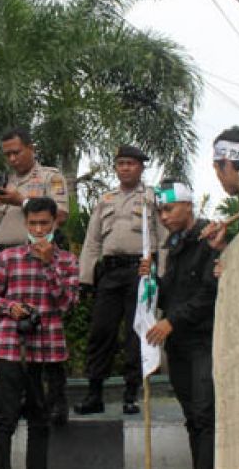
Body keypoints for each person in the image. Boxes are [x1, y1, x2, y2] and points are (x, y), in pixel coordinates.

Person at [0, 197, 78, 469]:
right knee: (6, 419)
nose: (38, 229)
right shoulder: (7, 258)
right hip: (12, 348)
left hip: (48, 351)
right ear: (25, 224)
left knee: (40, 420)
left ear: (54, 223)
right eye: (33, 223)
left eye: (43, 223)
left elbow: (67, 304)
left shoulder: (68, 261)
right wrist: (9, 307)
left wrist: (49, 265)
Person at [0, 127, 72, 424]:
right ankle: (12, 400)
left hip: (39, 256)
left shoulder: (49, 177)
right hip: (8, 258)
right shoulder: (8, 182)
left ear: (31, 148)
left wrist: (20, 201)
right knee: (9, 331)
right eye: (6, 154)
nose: (11, 158)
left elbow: (59, 215)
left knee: (46, 331)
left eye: (16, 152)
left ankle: (54, 402)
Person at [75, 145, 166, 416]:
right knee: (101, 332)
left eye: (131, 163)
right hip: (110, 272)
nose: (125, 168)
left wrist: (162, 273)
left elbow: (163, 239)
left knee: (136, 334)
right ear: (115, 167)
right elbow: (92, 241)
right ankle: (94, 394)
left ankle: (131, 394)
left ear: (141, 167)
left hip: (139, 271)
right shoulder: (105, 199)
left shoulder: (152, 198)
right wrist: (86, 278)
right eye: (121, 163)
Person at [138, 181, 217, 469]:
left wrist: (172, 321)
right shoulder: (173, 245)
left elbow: (208, 293)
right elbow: (171, 293)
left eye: (169, 209)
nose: (163, 217)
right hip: (178, 344)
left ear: (188, 205)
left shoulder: (210, 237)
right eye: (160, 211)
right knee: (192, 419)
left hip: (203, 342)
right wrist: (152, 281)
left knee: (205, 415)